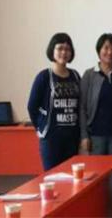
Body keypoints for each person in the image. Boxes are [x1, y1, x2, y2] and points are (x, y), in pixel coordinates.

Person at [27, 33, 80, 170]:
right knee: (52, 176)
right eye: (60, 48)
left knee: (71, 177)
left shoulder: (75, 76)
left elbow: (80, 105)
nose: (64, 52)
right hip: (51, 139)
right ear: (52, 50)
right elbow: (32, 106)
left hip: (72, 138)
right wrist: (40, 128)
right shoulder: (44, 77)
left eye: (67, 49)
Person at [79, 33, 112, 155]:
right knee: (97, 166)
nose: (109, 52)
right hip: (95, 135)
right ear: (99, 50)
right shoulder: (89, 75)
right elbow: (82, 107)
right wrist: (84, 136)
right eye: (106, 48)